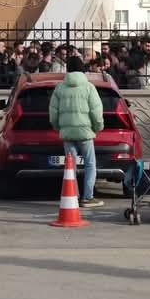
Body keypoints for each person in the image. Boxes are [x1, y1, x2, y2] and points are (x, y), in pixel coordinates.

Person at [48, 57, 104, 208]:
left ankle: (73, 195)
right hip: (85, 132)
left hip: (67, 133)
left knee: (70, 166)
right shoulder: (89, 87)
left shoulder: (60, 88)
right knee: (90, 164)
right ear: (82, 69)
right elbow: (96, 111)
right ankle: (87, 197)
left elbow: (53, 113)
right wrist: (97, 127)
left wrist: (58, 128)